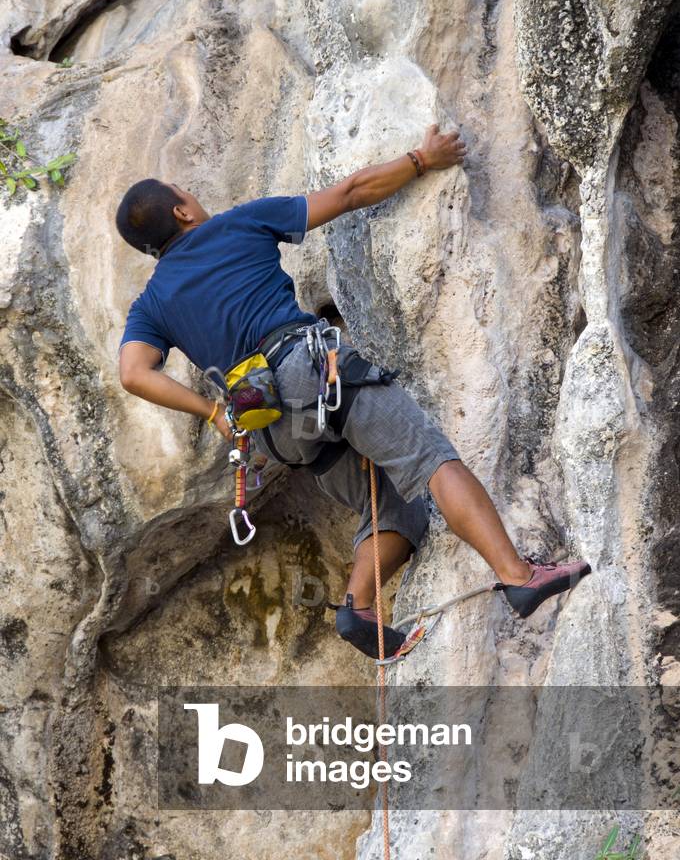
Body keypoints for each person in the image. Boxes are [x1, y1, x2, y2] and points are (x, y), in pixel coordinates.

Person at [116, 124, 590, 659]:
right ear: (182, 211)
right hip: (312, 373)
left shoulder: (151, 304)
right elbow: (349, 193)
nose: (193, 197)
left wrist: (212, 411)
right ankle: (518, 574)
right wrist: (420, 158)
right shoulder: (235, 225)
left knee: (398, 510)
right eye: (185, 192)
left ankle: (359, 609)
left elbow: (134, 373)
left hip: (270, 427)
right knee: (431, 461)